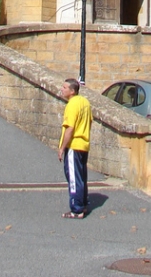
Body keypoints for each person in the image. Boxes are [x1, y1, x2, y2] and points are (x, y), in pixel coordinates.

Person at [58, 77, 92, 219]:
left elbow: (70, 128)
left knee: (73, 177)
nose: (62, 89)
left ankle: (76, 209)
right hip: (84, 144)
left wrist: (62, 147)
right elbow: (89, 122)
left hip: (74, 145)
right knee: (81, 176)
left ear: (72, 91)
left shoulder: (72, 105)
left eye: (64, 87)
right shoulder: (85, 102)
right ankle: (82, 204)